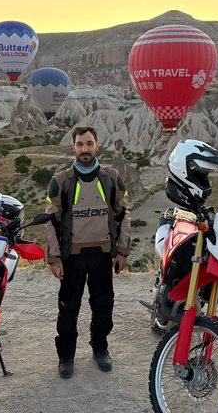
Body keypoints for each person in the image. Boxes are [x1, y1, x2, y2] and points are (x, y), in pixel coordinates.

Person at [45, 125, 131, 379]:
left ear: (97, 146)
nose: (85, 149)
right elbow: (50, 221)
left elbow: (124, 214)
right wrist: (54, 258)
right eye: (80, 145)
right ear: (73, 147)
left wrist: (122, 251)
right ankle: (66, 355)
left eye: (90, 144)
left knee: (103, 305)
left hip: (103, 255)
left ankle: (100, 347)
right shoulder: (61, 181)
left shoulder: (112, 178)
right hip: (73, 257)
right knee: (69, 307)